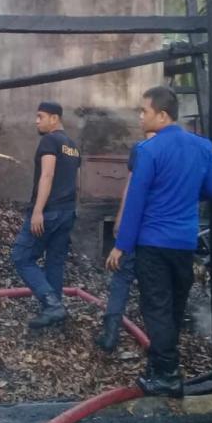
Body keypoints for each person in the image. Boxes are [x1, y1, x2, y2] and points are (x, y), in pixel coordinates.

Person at [106, 86, 212, 397]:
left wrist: (122, 245)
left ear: (162, 115)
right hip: (184, 243)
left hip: (153, 243)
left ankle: (167, 376)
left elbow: (136, 201)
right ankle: (161, 366)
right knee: (174, 307)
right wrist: (185, 193)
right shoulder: (202, 147)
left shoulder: (149, 151)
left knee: (157, 308)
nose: (140, 116)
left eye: (144, 111)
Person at [10, 101, 81, 329]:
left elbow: (47, 176)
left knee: (21, 256)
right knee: (55, 262)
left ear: (54, 118)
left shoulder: (50, 141)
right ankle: (54, 311)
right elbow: (77, 183)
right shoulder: (72, 146)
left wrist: (38, 211)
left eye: (41, 116)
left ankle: (51, 304)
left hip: (49, 212)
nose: (36, 121)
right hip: (67, 212)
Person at [95, 130, 155, 353]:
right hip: (155, 232)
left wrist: (122, 218)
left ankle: (110, 335)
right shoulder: (169, 151)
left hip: (139, 227)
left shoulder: (141, 150)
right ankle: (156, 340)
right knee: (150, 285)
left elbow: (131, 188)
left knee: (121, 280)